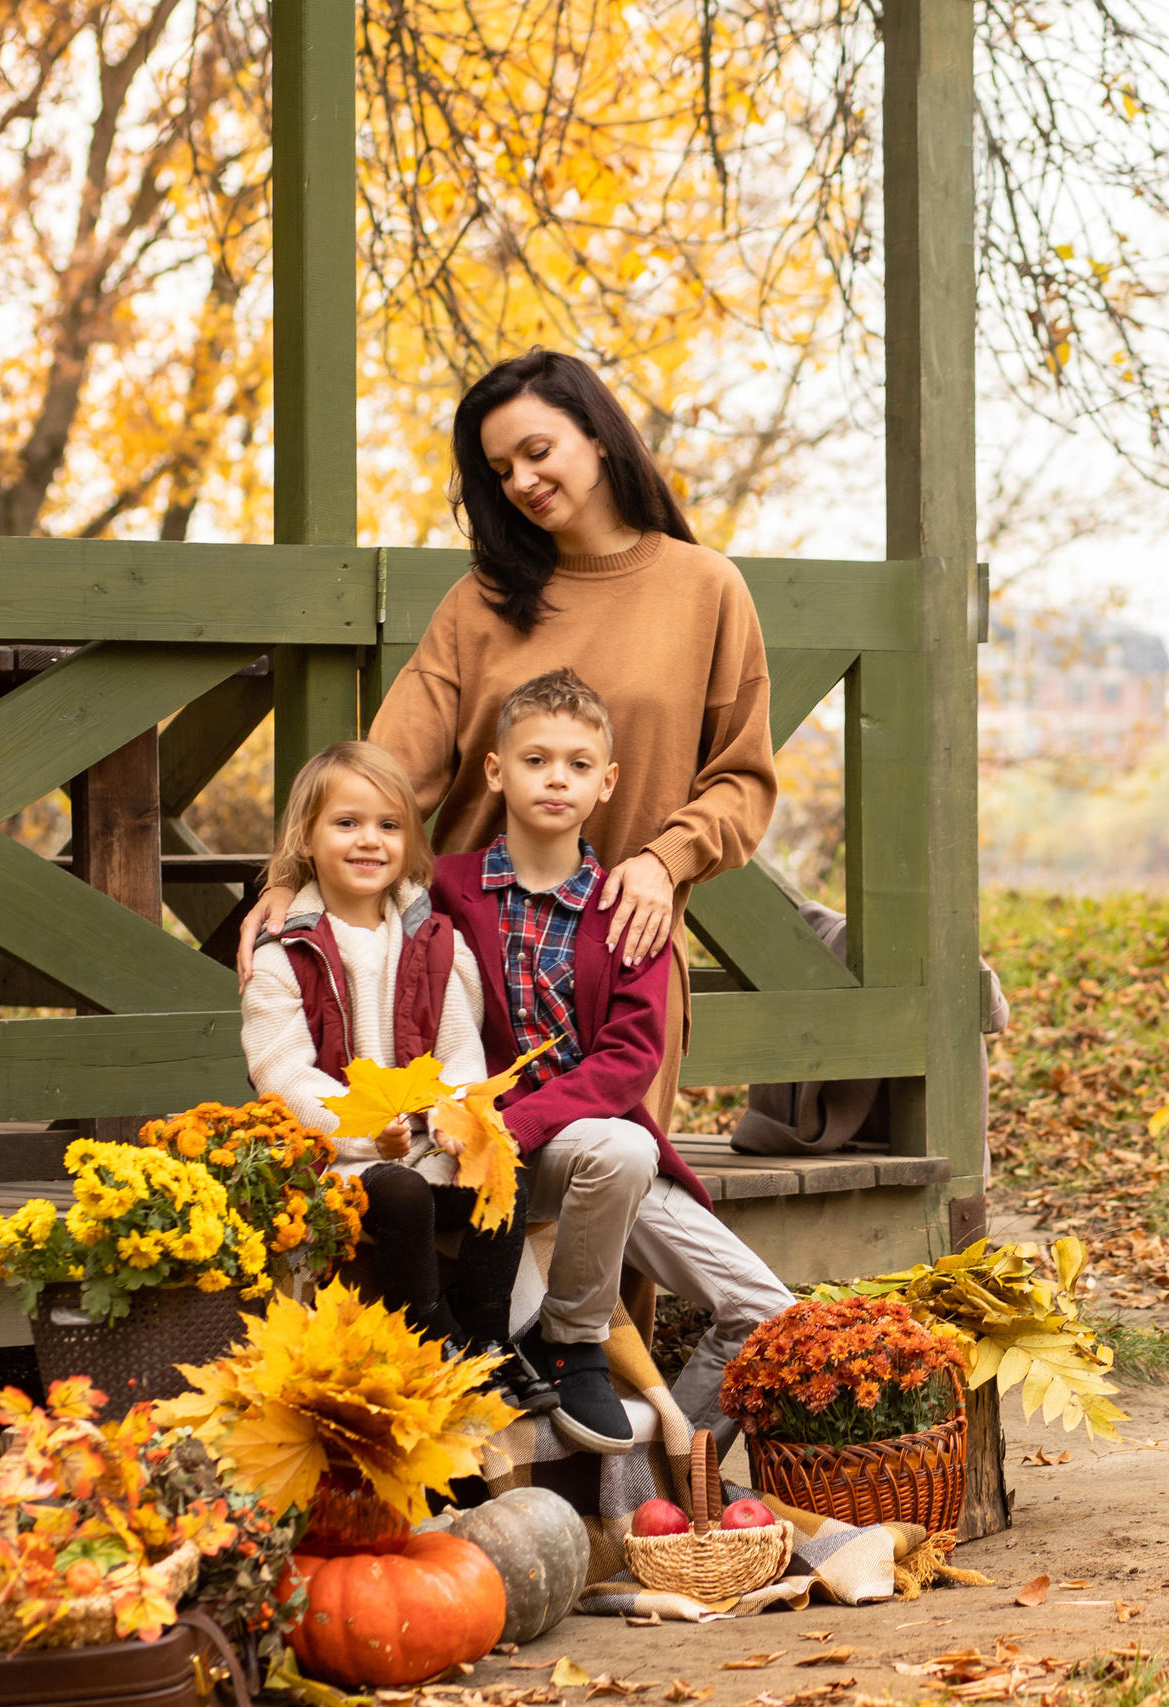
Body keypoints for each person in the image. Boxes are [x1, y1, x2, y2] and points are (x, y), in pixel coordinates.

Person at [236, 348, 779, 1135]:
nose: (520, 481)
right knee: (466, 1205)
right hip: (462, 957)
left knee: (613, 1185)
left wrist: (668, 861)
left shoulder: (706, 588)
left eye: (537, 451)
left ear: (597, 436)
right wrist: (292, 878)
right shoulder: (478, 604)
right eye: (499, 469)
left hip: (617, 959)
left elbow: (744, 779)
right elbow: (385, 774)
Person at [426, 667, 794, 1453]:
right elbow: (348, 892)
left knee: (766, 1312)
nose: (556, 777)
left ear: (607, 782)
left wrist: (521, 1123)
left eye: (578, 764)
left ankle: (668, 1470)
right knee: (619, 1148)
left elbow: (630, 1059)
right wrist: (284, 889)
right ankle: (574, 1341)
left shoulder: (628, 905)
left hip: (585, 1145)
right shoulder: (444, 888)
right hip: (480, 1151)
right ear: (495, 770)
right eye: (534, 759)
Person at [237, 741, 558, 1419]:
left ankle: (488, 1339)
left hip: (424, 1142)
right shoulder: (286, 953)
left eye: (388, 825)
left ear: (409, 840)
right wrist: (360, 1129)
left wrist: (449, 1121)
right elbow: (282, 1069)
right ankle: (433, 1335)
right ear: (307, 837)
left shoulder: (436, 941)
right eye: (346, 823)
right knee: (404, 1192)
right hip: (340, 1160)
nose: (368, 840)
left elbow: (460, 1053)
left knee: (504, 1174)